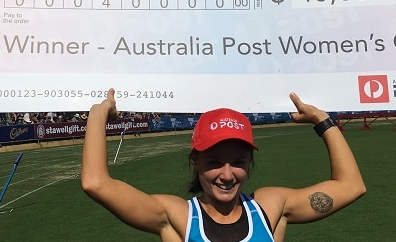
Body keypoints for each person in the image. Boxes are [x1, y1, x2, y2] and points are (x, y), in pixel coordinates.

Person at [81, 89, 365, 241]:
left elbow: (351, 187)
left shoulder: (271, 208)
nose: (227, 175)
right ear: (196, 161)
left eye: (238, 162)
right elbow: (95, 182)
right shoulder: (177, 216)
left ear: (250, 161)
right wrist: (98, 113)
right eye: (215, 162)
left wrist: (321, 119)